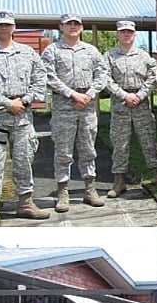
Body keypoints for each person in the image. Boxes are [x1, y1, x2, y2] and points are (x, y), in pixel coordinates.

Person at [0, 10, 50, 226]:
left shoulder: (28, 53)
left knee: (24, 160)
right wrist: (7, 104)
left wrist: (24, 101)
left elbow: (40, 79)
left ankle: (25, 203)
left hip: (23, 116)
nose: (4, 28)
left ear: (14, 27)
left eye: (7, 24)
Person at [42, 13, 109, 213]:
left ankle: (90, 189)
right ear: (60, 27)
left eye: (76, 24)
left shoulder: (91, 51)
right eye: (68, 24)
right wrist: (72, 94)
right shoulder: (52, 51)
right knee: (63, 152)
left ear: (81, 27)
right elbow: (48, 76)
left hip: (87, 107)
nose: (73, 27)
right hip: (64, 107)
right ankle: (63, 192)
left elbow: (102, 73)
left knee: (88, 149)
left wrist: (88, 95)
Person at [103, 20, 157, 198]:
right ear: (117, 34)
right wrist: (125, 95)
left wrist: (139, 95)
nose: (126, 35)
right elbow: (105, 79)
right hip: (120, 104)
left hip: (141, 104)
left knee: (148, 140)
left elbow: (153, 78)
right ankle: (119, 181)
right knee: (120, 143)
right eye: (123, 32)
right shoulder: (109, 56)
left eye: (130, 32)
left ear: (134, 35)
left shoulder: (144, 57)